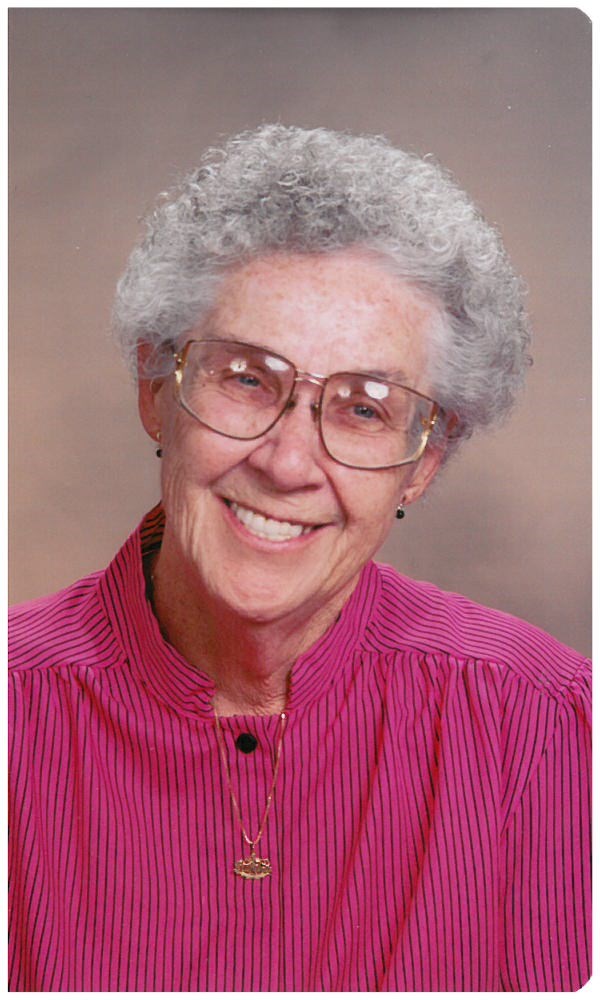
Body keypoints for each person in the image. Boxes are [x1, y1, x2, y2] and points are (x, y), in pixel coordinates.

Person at [9, 125, 590, 992]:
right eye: (247, 378)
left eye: (364, 407)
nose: (287, 463)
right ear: (155, 389)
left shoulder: (548, 728)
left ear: (423, 463)